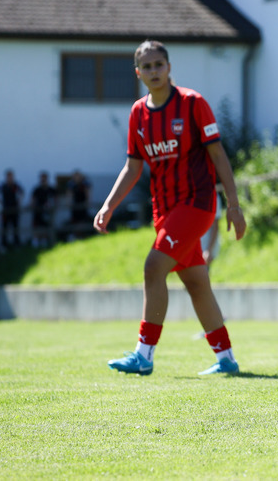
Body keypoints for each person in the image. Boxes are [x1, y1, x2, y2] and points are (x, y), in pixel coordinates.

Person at [96, 40, 247, 377]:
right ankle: (226, 359)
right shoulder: (138, 113)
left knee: (154, 267)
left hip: (196, 204)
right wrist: (108, 206)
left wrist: (234, 205)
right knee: (196, 282)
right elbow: (133, 167)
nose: (154, 71)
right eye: (146, 67)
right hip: (164, 210)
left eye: (159, 65)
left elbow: (218, 155)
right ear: (138, 73)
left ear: (169, 68)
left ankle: (143, 355)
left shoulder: (193, 103)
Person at [0, 169, 25, 249]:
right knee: (4, 228)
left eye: (11, 176)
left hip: (14, 209)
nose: (10, 178)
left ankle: (16, 244)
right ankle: (3, 245)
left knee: (15, 227)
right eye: (8, 176)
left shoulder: (15, 185)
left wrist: (19, 201)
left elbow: (22, 192)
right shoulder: (2, 185)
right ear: (6, 177)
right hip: (5, 210)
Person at [29, 171, 57, 248]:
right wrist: (33, 206)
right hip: (38, 212)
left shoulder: (51, 189)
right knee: (37, 226)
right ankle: (36, 241)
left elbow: (55, 200)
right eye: (42, 179)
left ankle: (45, 240)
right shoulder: (37, 190)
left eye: (44, 179)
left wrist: (53, 207)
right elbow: (32, 200)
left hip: (47, 212)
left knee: (46, 226)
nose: (43, 181)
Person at [67, 170, 93, 240]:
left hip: (83, 207)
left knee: (83, 221)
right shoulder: (71, 185)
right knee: (75, 222)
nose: (77, 178)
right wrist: (70, 204)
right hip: (75, 207)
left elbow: (88, 195)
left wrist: (87, 203)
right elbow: (69, 195)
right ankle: (76, 236)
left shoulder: (85, 184)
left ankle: (82, 236)